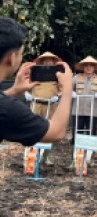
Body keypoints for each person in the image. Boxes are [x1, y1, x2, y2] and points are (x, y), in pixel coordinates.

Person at [0, 17, 73, 146]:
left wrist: (13, 91)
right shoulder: (9, 109)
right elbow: (56, 132)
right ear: (11, 58)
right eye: (21, 53)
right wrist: (67, 89)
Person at [25, 51, 64, 165]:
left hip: (51, 105)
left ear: (53, 61)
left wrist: (57, 96)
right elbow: (26, 84)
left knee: (49, 131)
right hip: (36, 104)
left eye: (50, 60)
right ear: (42, 61)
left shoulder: (58, 74)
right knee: (33, 129)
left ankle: (46, 156)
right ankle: (31, 155)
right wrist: (26, 93)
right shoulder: (34, 72)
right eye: (45, 60)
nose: (48, 62)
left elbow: (63, 89)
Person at [71, 55, 97, 139]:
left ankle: (90, 150)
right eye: (86, 65)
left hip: (92, 110)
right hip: (78, 110)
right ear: (83, 67)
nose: (88, 68)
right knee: (77, 132)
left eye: (91, 65)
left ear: (94, 67)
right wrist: (70, 92)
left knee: (91, 133)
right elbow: (67, 88)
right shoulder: (76, 78)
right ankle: (77, 150)